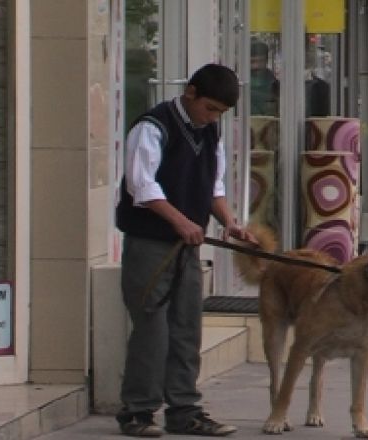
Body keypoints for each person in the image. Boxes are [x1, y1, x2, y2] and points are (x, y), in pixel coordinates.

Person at [114, 64, 252, 437]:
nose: (212, 118)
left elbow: (214, 184)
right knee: (152, 329)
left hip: (188, 246)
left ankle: (184, 409)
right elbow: (141, 186)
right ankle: (138, 411)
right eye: (210, 109)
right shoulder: (153, 126)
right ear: (190, 92)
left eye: (220, 113)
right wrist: (181, 221)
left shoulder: (210, 132)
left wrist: (230, 223)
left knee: (186, 327)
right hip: (150, 243)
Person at [249, 40, 279, 116]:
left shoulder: (276, 85)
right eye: (252, 61)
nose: (256, 66)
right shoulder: (240, 85)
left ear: (266, 61)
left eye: (260, 61)